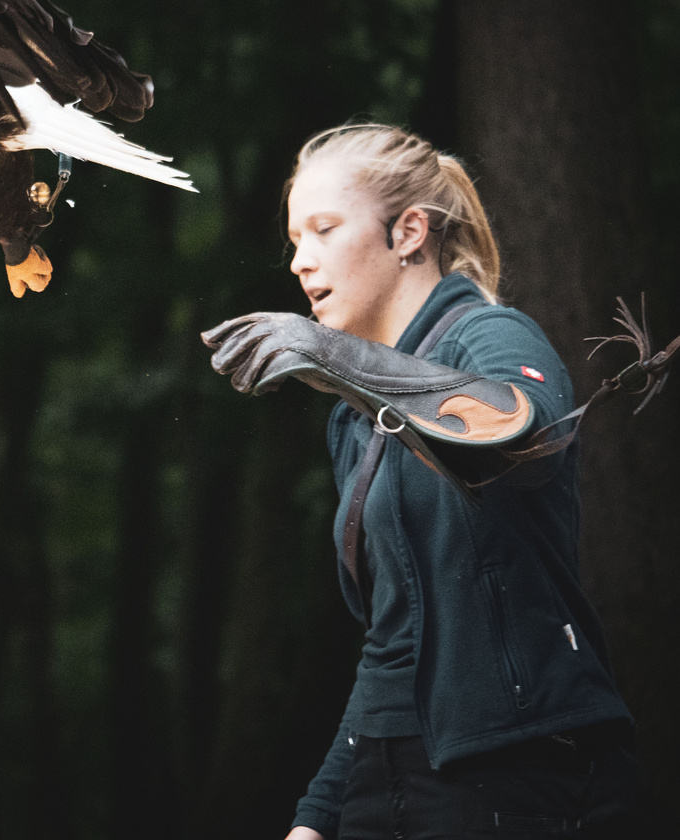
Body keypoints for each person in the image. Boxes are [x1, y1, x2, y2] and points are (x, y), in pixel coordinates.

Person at [201, 124, 644, 839]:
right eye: (293, 240)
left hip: (520, 770)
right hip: (389, 782)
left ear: (409, 231)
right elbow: (393, 639)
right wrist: (317, 816)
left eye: (323, 230)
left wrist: (331, 354)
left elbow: (519, 434)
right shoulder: (351, 418)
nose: (299, 261)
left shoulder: (494, 336)